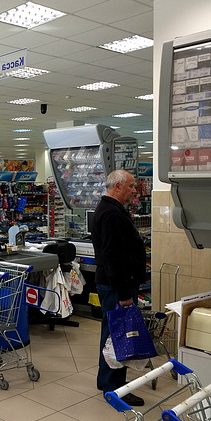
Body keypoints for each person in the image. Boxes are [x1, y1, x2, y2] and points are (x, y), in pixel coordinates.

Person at [91, 169, 147, 407]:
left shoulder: (107, 209)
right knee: (118, 337)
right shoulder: (112, 214)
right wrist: (124, 294)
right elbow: (113, 256)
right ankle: (115, 388)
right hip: (117, 287)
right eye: (131, 186)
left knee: (110, 335)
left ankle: (106, 380)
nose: (135, 190)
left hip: (113, 284)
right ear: (117, 187)